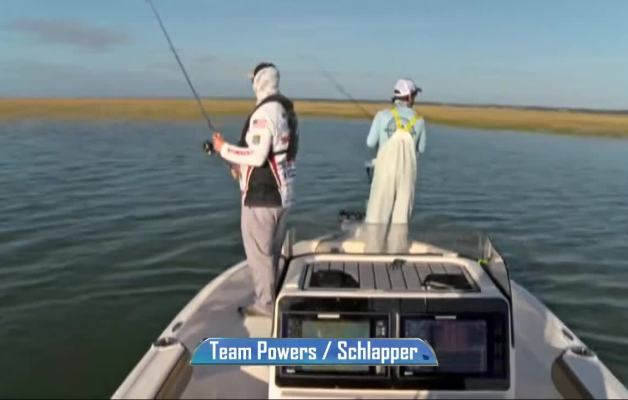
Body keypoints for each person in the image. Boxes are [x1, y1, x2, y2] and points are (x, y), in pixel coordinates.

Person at [211, 62, 298, 317]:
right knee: (272, 252)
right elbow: (277, 154)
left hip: (262, 198)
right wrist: (239, 168)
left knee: (259, 255)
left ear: (259, 81)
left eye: (252, 80)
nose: (251, 84)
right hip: (283, 195)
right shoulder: (287, 112)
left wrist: (223, 148)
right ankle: (274, 295)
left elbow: (258, 156)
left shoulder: (264, 113)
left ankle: (265, 305)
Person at [364, 78, 426, 226]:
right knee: (401, 218)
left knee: (376, 214)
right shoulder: (419, 121)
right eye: (414, 95)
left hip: (384, 171)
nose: (415, 99)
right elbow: (421, 149)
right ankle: (398, 240)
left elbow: (370, 143)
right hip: (407, 174)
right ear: (409, 97)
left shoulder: (381, 115)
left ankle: (372, 239)